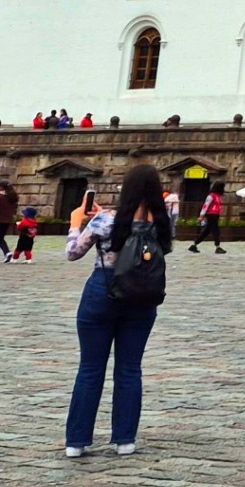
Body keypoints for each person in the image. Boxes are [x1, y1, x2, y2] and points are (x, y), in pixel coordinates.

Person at [63, 165, 173, 458]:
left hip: (102, 291)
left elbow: (73, 252)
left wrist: (77, 222)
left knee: (90, 368)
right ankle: (125, 439)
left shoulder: (104, 221)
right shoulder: (163, 223)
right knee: (129, 368)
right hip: (142, 295)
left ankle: (77, 441)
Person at [191, 180, 227, 254]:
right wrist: (201, 216)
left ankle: (194, 245)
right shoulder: (211, 196)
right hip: (211, 214)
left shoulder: (218, 196)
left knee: (206, 231)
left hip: (215, 214)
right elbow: (205, 206)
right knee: (216, 231)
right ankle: (218, 247)